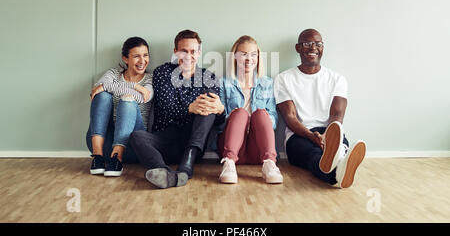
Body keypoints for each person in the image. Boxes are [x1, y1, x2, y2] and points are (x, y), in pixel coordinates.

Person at [129, 30, 224, 189]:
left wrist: (221, 110)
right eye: (183, 51)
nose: (188, 56)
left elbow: (217, 122)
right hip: (164, 139)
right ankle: (164, 172)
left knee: (207, 107)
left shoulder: (209, 77)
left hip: (193, 143)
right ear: (175, 51)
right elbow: (166, 108)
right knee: (136, 136)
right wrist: (190, 108)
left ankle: (186, 167)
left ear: (199, 53)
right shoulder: (163, 72)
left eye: (193, 51)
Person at [274, 29, 366, 188]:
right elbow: (290, 118)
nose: (313, 48)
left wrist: (327, 136)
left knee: (338, 147)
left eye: (318, 44)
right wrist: (312, 136)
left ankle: (338, 164)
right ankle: (339, 170)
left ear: (323, 48)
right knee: (314, 155)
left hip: (331, 132)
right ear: (298, 48)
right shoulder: (284, 79)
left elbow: (337, 115)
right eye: (307, 44)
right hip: (298, 136)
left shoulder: (337, 79)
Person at [218, 35, 283, 184]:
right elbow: (219, 122)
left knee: (261, 113)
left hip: (258, 149)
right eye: (244, 54)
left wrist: (264, 118)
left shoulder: (266, 83)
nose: (249, 59)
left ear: (258, 58)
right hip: (232, 147)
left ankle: (270, 164)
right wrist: (233, 117)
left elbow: (274, 119)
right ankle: (228, 164)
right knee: (240, 113)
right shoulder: (224, 82)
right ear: (235, 56)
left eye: (253, 54)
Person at [86, 37, 153, 177]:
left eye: (145, 55)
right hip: (104, 143)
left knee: (127, 100)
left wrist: (106, 87)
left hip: (134, 145)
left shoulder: (150, 79)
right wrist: (134, 86)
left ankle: (117, 159)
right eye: (136, 56)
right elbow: (96, 91)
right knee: (102, 96)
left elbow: (142, 97)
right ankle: (97, 157)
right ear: (125, 59)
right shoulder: (113, 74)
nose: (142, 61)